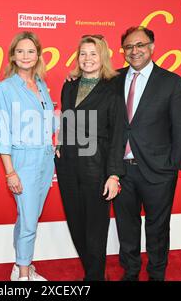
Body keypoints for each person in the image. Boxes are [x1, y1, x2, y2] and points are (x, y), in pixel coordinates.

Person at [113, 26, 181, 281]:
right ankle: (131, 270)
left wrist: (172, 166)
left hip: (158, 171)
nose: (134, 51)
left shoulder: (172, 83)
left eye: (140, 45)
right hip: (121, 171)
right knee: (127, 226)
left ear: (152, 46)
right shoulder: (112, 79)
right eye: (129, 47)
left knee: (157, 227)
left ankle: (157, 273)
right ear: (123, 51)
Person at [55, 35, 125, 281]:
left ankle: (94, 277)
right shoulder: (69, 85)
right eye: (83, 53)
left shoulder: (113, 89)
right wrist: (60, 143)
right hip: (67, 166)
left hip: (97, 165)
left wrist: (114, 174)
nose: (87, 59)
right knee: (76, 224)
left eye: (93, 54)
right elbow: (66, 118)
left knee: (95, 228)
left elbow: (118, 134)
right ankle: (94, 272)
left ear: (103, 56)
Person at [0, 31, 55, 281]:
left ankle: (21, 262)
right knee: (29, 219)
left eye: (31, 51)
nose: (26, 56)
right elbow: (3, 132)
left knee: (29, 215)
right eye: (20, 51)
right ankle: (22, 274)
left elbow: (50, 122)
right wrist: (10, 171)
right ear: (12, 56)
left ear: (38, 55)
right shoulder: (6, 88)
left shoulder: (41, 84)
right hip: (23, 161)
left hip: (45, 159)